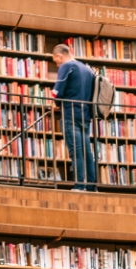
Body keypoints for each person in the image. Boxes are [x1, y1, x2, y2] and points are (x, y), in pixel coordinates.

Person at [52, 44, 97, 192]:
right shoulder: (87, 69)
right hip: (85, 116)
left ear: (60, 56)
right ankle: (91, 186)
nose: (57, 64)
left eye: (56, 61)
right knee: (87, 152)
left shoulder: (67, 66)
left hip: (70, 114)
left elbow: (57, 93)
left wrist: (56, 102)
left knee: (76, 151)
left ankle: (79, 186)